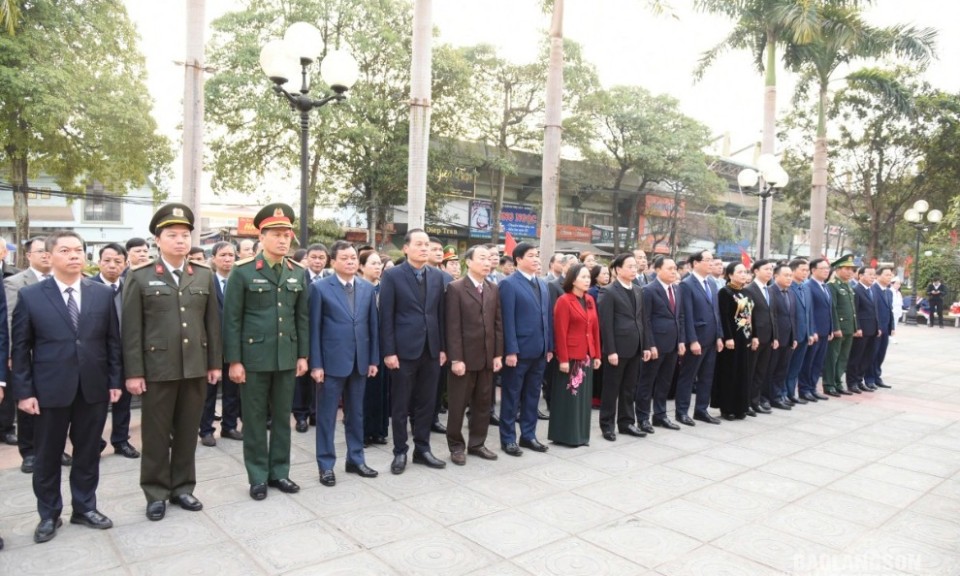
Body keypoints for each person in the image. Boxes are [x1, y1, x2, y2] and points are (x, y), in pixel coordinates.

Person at [11, 230, 122, 543]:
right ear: (50, 257)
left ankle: (85, 507)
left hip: (93, 387)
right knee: (47, 456)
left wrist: (114, 380)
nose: (74, 255)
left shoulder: (101, 293)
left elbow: (112, 341)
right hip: (49, 391)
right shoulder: (31, 296)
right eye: (65, 250)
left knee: (88, 452)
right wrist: (25, 391)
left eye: (78, 250)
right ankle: (49, 514)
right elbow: (20, 348)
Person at [123, 204, 223, 521]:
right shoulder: (140, 277)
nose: (180, 241)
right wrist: (134, 372)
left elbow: (212, 325)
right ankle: (155, 492)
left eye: (184, 235)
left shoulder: (203, 276)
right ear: (158, 240)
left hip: (194, 366)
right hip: (157, 369)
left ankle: (182, 487)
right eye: (172, 235)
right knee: (154, 434)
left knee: (186, 431)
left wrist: (214, 363)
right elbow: (131, 330)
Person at [223, 203, 309, 501]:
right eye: (276, 234)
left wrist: (303, 355)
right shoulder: (243, 272)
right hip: (254, 359)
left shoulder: (297, 272)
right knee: (256, 419)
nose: (283, 240)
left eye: (287, 234)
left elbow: (302, 317)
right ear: (262, 237)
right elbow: (232, 319)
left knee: (283, 417)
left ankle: (280, 472)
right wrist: (234, 360)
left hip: (287, 357)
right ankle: (258, 476)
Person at [309, 241, 380, 487]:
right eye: (345, 258)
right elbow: (314, 329)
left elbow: (373, 326)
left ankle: (356, 458)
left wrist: (373, 359)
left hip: (360, 361)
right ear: (333, 262)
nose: (350, 261)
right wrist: (316, 364)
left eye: (353, 258)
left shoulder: (367, 288)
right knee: (327, 416)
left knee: (356, 413)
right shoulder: (319, 289)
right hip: (330, 363)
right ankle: (326, 465)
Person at [379, 229, 447, 474]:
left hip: (430, 349)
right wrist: (389, 351)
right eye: (419, 244)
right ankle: (400, 451)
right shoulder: (393, 276)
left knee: (427, 403)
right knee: (400, 405)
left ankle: (423, 449)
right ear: (406, 248)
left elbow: (439, 314)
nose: (424, 248)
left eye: (427, 244)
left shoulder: (437, 276)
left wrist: (442, 348)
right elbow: (385, 315)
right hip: (403, 351)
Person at [4, 238, 74, 471]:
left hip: (58, 357)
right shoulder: (15, 283)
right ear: (28, 256)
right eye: (40, 252)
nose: (45, 255)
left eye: (48, 251)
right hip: (29, 354)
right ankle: (30, 451)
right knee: (27, 402)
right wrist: (15, 353)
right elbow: (12, 320)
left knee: (58, 404)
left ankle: (57, 448)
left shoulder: (64, 281)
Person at [444, 245, 503, 465]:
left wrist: (498, 354)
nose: (487, 262)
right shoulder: (456, 288)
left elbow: (498, 324)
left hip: (487, 357)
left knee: (482, 404)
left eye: (489, 259)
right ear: (468, 262)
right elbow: (452, 326)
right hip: (464, 359)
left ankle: (477, 443)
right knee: (458, 405)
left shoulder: (493, 288)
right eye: (482, 258)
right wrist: (456, 358)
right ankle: (456, 446)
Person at [498, 242, 552, 456]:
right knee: (511, 396)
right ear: (518, 259)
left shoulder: (542, 284)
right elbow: (507, 320)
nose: (537, 259)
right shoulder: (509, 284)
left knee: (532, 395)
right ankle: (508, 438)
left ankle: (528, 435)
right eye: (531, 255)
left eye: (537, 255)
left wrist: (549, 346)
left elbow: (547, 318)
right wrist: (510, 350)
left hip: (539, 350)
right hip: (518, 352)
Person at [90, 243, 140, 458]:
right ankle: (93, 441)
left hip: (125, 353)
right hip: (97, 356)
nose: (112, 265)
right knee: (96, 402)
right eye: (107, 261)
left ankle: (120, 440)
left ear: (125, 263)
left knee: (124, 402)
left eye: (118, 261)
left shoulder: (131, 285)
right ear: (99, 263)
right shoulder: (87, 286)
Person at [597, 254, 651, 441]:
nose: (634, 269)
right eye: (630, 266)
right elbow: (605, 324)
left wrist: (645, 346)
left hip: (635, 346)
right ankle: (607, 425)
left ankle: (627, 422)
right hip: (617, 349)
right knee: (611, 388)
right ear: (618, 269)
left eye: (635, 266)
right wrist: (610, 350)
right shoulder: (609, 291)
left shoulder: (638, 290)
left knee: (629, 388)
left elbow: (642, 320)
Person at [550, 263, 601, 447]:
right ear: (573, 279)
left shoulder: (589, 300)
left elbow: (595, 329)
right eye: (583, 277)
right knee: (569, 396)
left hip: (586, 355)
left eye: (589, 277)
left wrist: (597, 355)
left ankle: (581, 435)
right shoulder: (564, 300)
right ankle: (565, 435)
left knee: (583, 398)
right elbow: (560, 332)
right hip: (570, 356)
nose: (587, 280)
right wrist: (563, 359)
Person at [199, 241, 243, 446]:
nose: (227, 259)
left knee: (233, 389)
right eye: (223, 255)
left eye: (231, 255)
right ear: (214, 258)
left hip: (234, 344)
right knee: (209, 390)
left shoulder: (239, 280)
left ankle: (229, 426)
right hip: (211, 346)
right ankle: (206, 429)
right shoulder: (205, 281)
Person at [637, 257, 685, 432]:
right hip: (656, 344)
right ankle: (642, 418)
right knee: (647, 383)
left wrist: (681, 340)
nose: (674, 271)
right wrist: (650, 345)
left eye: (675, 268)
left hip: (672, 343)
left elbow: (680, 317)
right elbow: (645, 320)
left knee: (665, 382)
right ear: (657, 270)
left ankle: (660, 415)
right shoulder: (648, 290)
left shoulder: (677, 289)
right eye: (670, 268)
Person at [676, 250, 723, 426]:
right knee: (688, 377)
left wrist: (719, 335)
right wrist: (692, 340)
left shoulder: (711, 282)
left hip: (711, 338)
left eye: (712, 260)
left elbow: (715, 312)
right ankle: (681, 412)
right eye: (708, 260)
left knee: (707, 376)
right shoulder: (686, 284)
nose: (711, 263)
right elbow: (686, 314)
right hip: (696, 339)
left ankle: (701, 410)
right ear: (696, 263)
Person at [712, 262, 758, 420]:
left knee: (743, 373)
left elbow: (753, 316)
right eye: (739, 272)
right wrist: (728, 337)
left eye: (745, 272)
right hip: (731, 339)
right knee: (729, 373)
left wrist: (755, 336)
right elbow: (723, 317)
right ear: (730, 274)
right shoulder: (725, 292)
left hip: (745, 337)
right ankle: (727, 408)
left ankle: (741, 407)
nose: (743, 275)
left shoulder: (747, 292)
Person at [359, 250, 389, 446]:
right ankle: (363, 432)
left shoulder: (386, 289)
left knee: (382, 389)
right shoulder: (358, 288)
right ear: (361, 267)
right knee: (363, 391)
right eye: (373, 263)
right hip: (363, 346)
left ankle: (379, 430)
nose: (378, 267)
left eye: (380, 264)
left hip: (384, 346)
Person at [742, 260, 777, 414]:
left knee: (760, 372)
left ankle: (755, 401)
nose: (769, 272)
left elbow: (772, 315)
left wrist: (775, 336)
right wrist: (752, 336)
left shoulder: (769, 290)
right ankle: (746, 402)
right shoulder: (749, 289)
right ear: (756, 271)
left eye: (771, 269)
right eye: (766, 269)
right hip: (755, 339)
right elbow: (746, 316)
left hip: (768, 337)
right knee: (750, 372)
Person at [799, 258, 833, 402]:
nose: (826, 271)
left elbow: (829, 310)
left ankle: (813, 387)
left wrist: (831, 328)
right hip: (815, 331)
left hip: (825, 331)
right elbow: (809, 311)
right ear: (813, 270)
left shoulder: (825, 286)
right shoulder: (808, 286)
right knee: (809, 362)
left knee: (818, 362)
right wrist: (812, 330)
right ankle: (804, 389)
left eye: (828, 268)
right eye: (823, 268)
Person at [823, 255, 858, 397]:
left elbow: (852, 310)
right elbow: (833, 309)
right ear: (837, 269)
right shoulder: (832, 285)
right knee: (833, 357)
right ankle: (829, 384)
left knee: (843, 357)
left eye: (852, 269)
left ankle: (838, 383)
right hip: (839, 329)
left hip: (849, 328)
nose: (850, 272)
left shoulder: (848, 285)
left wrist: (854, 327)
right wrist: (836, 327)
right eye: (847, 269)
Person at [767, 263, 797, 409]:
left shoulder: (791, 292)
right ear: (776, 276)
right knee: (771, 369)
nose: (789, 278)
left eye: (791, 275)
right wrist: (775, 337)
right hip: (776, 339)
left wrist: (794, 337)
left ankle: (778, 396)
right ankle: (768, 397)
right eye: (786, 275)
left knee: (782, 369)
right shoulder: (770, 291)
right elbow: (772, 317)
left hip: (788, 338)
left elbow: (792, 317)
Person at [847, 267, 880, 392]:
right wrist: (857, 327)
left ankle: (859, 380)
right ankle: (852, 382)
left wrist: (878, 327)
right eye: (870, 274)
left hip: (872, 329)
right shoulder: (856, 290)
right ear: (860, 276)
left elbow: (874, 311)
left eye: (874, 274)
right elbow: (854, 311)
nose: (873, 277)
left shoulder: (872, 291)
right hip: (861, 331)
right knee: (856, 357)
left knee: (867, 358)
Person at [871, 266, 896, 388]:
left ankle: (877, 377)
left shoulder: (889, 292)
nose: (889, 277)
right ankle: (869, 379)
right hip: (876, 328)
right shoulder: (873, 289)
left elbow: (889, 310)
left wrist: (892, 326)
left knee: (881, 354)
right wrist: (877, 327)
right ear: (878, 276)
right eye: (887, 275)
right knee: (873, 354)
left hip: (886, 328)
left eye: (890, 275)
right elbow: (873, 311)